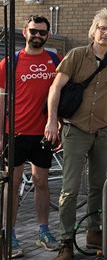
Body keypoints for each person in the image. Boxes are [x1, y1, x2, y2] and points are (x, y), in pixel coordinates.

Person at [45, 8, 107, 260]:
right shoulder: (76, 56)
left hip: (103, 132)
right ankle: (65, 241)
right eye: (102, 28)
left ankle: (94, 232)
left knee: (98, 186)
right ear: (93, 31)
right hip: (76, 129)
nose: (105, 33)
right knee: (70, 189)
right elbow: (55, 88)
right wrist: (51, 121)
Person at [0, 15, 61, 257]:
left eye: (42, 32)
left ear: (47, 35)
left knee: (41, 183)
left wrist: (60, 126)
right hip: (15, 132)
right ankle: (10, 234)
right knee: (12, 185)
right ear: (25, 31)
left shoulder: (56, 60)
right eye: (34, 31)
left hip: (43, 133)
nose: (37, 35)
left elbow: (64, 96)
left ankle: (43, 231)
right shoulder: (9, 63)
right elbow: (2, 101)